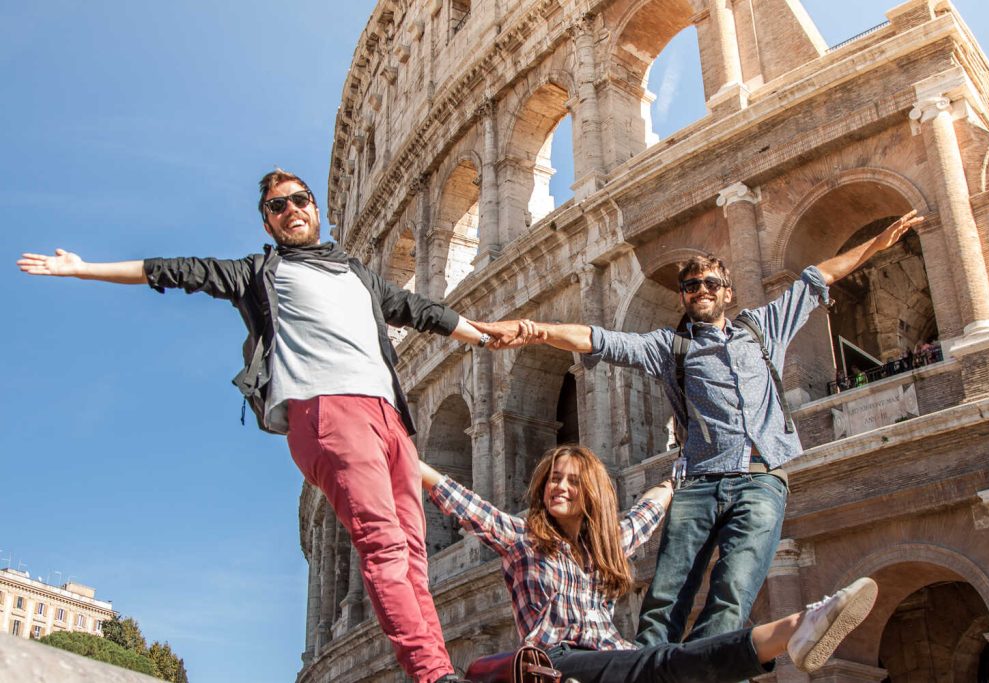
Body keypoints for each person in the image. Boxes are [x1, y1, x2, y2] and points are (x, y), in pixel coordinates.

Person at [16, 169, 524, 683]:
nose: (292, 210)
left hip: (388, 415)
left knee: (413, 552)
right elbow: (177, 271)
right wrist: (83, 269)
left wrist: (480, 334)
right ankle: (433, 675)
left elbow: (414, 309)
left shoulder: (354, 272)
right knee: (384, 544)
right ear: (268, 219)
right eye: (278, 206)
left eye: (299, 199)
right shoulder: (260, 273)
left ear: (316, 208)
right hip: (327, 412)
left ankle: (439, 673)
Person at [487, 210, 922, 647]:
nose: (701, 291)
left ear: (727, 293)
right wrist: (536, 330)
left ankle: (701, 674)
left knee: (734, 592)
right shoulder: (668, 348)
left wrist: (878, 243)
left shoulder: (763, 328)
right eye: (692, 286)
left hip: (761, 480)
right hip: (697, 483)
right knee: (664, 600)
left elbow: (819, 275)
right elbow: (598, 339)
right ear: (683, 297)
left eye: (711, 284)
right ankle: (648, 675)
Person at [420, 444, 878, 682]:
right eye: (553, 479)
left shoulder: (607, 546)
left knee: (672, 671)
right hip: (558, 662)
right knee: (667, 664)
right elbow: (460, 501)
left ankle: (796, 634)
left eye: (572, 481)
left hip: (614, 658)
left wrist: (676, 478)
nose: (558, 487)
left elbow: (648, 511)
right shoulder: (522, 539)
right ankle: (799, 628)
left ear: (591, 493)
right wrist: (404, 457)